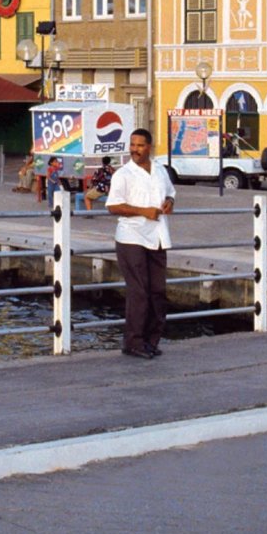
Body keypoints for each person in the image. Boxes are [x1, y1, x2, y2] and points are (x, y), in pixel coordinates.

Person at [106, 128, 175, 360]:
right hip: (131, 237)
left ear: (149, 147)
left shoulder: (160, 170)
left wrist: (169, 201)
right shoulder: (123, 174)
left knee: (158, 291)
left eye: (140, 145)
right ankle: (133, 342)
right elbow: (113, 206)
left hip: (157, 237)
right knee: (139, 292)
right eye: (132, 145)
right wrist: (142, 211)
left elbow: (171, 193)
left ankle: (151, 340)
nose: (135, 149)